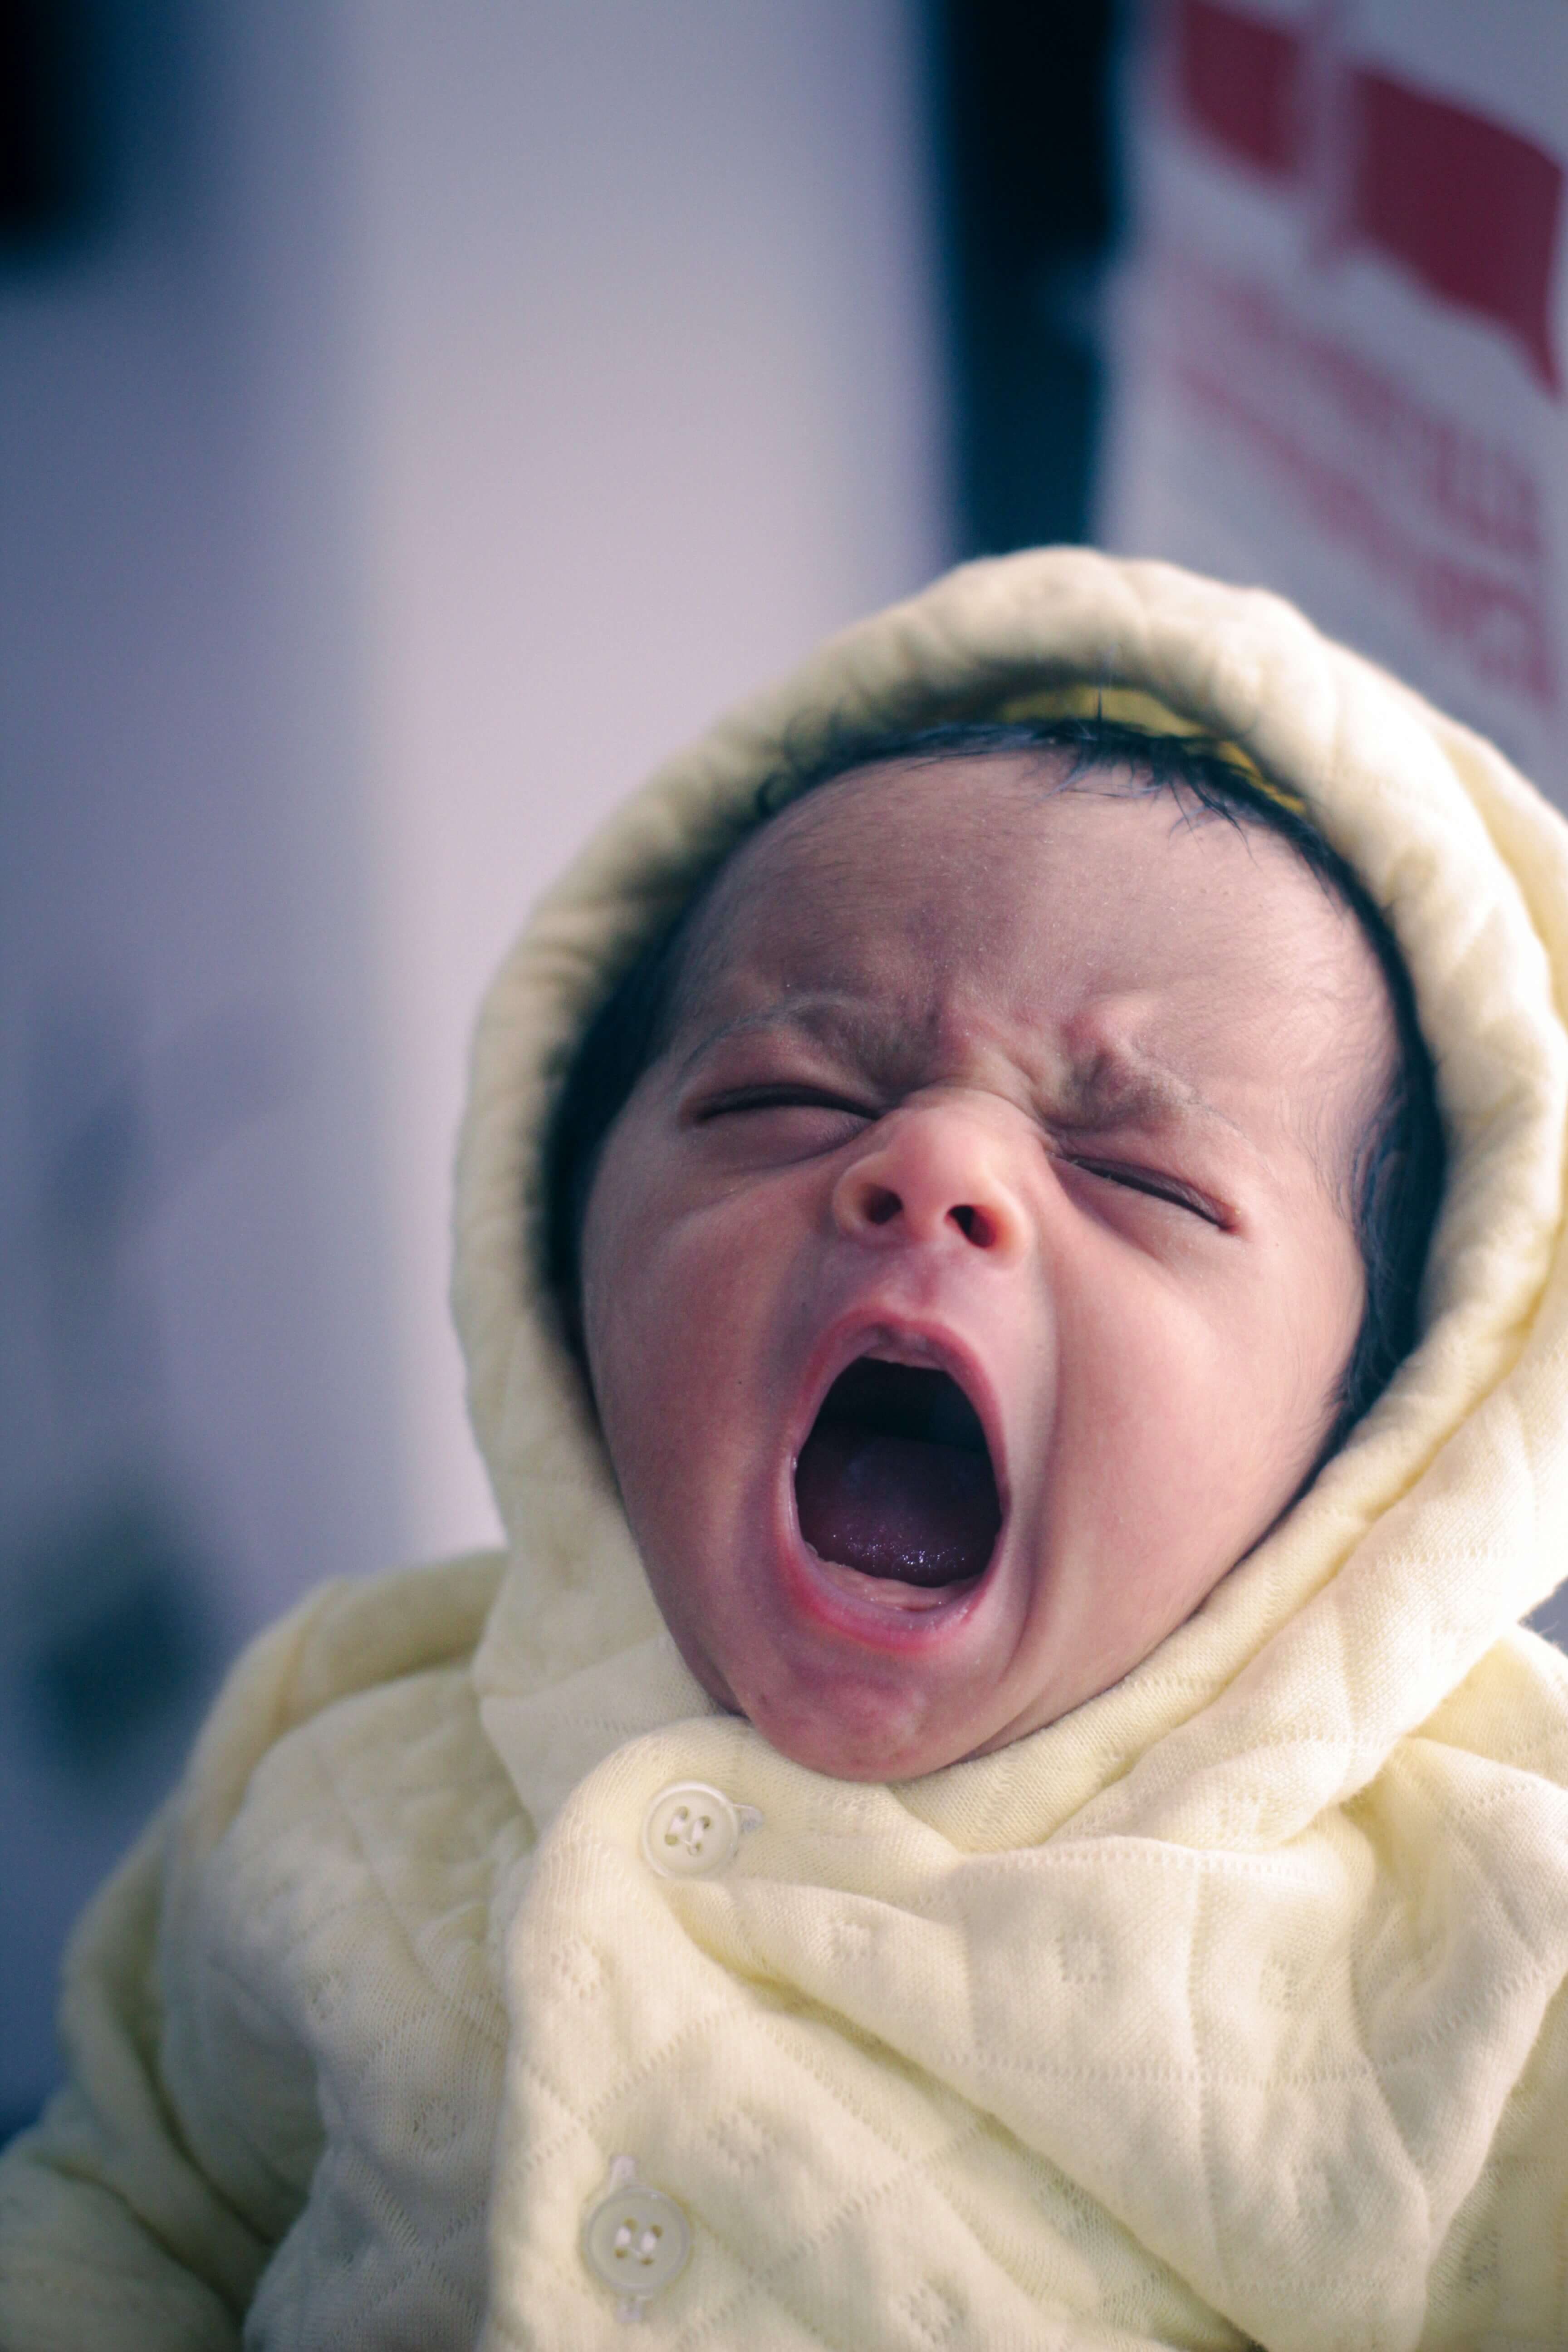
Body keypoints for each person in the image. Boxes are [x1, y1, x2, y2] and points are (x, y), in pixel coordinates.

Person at [5, 548, 1568, 2350]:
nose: (936, 1169)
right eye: (785, 1098)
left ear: (1375, 1432)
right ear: (557, 1246)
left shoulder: (1483, 1960)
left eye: (1138, 1175)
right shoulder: (345, 1770)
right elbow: (128, 2210)